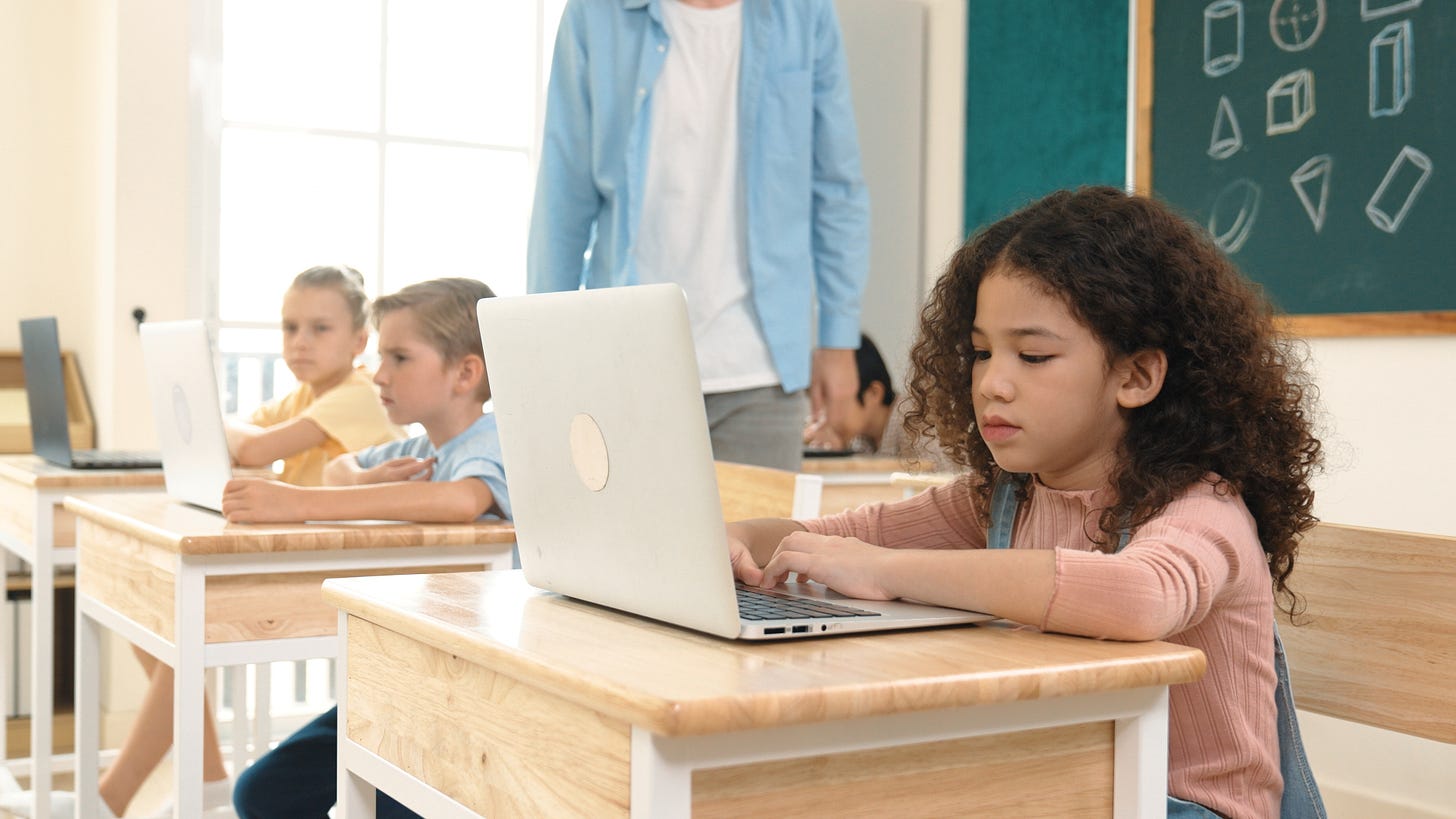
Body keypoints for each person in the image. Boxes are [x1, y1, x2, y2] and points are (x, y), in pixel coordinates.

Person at [728, 187, 1325, 818]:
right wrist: (736, 536)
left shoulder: (1205, 509)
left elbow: (1141, 595)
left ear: (1136, 376)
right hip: (1070, 791)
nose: (993, 383)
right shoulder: (1003, 499)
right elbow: (840, 536)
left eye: (1033, 356)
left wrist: (884, 570)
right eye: (982, 352)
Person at [0, 265, 405, 819]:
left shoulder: (357, 395)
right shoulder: (303, 398)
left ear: (360, 341)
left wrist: (235, 433)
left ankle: (109, 800)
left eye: (319, 328)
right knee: (153, 624)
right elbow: (234, 436)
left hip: (352, 570)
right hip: (306, 554)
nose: (300, 342)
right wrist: (235, 434)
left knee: (179, 633)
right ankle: (209, 782)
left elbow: (251, 447)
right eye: (290, 327)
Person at [528, 0, 871, 472]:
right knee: (624, 524)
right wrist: (543, 348)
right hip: (626, 362)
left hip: (762, 373)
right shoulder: (596, 13)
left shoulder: (805, 13)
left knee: (761, 524)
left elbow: (837, 189)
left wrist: (838, 341)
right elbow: (563, 194)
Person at [228, 277, 508, 819]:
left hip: (470, 697)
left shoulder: (494, 439)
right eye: (381, 357)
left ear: (466, 373)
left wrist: (298, 503)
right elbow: (340, 467)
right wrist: (358, 481)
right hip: (407, 677)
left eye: (399, 358)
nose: (379, 374)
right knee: (262, 794)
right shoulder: (424, 447)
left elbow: (462, 500)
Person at [802, 333, 955, 471]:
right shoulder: (860, 436)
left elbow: (944, 487)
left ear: (873, 393)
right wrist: (835, 454)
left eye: (829, 400)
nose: (818, 415)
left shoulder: (918, 426)